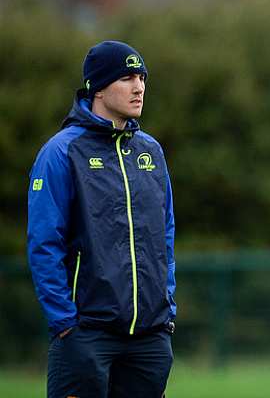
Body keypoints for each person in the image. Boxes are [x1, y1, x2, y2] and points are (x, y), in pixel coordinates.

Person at [27, 40, 176, 397]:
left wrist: (166, 309)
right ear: (98, 87)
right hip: (86, 335)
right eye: (126, 78)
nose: (139, 87)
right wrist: (65, 323)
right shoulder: (61, 152)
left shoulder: (151, 152)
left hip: (149, 340)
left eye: (141, 77)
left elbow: (165, 234)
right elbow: (44, 244)